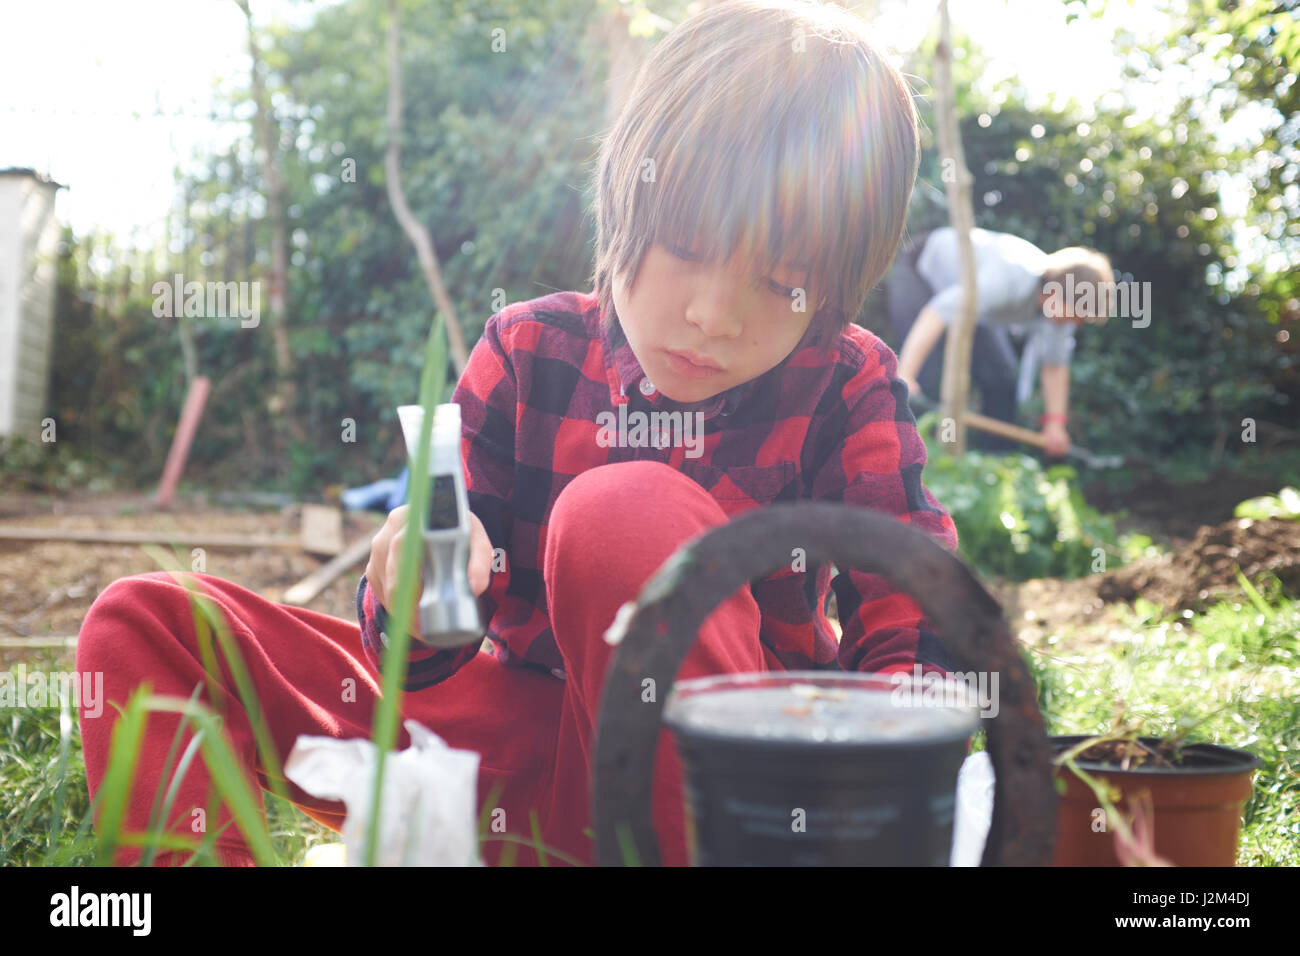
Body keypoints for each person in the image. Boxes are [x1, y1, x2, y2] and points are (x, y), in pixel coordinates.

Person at [77, 0, 961, 868]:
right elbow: (420, 651)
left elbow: (911, 618)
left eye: (779, 283)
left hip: (713, 788)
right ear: (626, 201)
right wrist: (415, 596)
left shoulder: (846, 383)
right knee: (146, 620)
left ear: (837, 291)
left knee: (623, 514)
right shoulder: (530, 348)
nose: (710, 316)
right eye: (688, 248)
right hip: (505, 753)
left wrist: (865, 782)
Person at [886, 226, 1114, 454]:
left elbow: (1054, 366)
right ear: (1057, 294)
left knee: (1002, 379)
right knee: (927, 380)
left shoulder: (1059, 316)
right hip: (923, 271)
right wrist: (906, 374)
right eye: (1076, 314)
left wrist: (1054, 424)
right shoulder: (1009, 279)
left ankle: (993, 462)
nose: (1076, 323)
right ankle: (917, 458)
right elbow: (936, 314)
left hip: (971, 306)